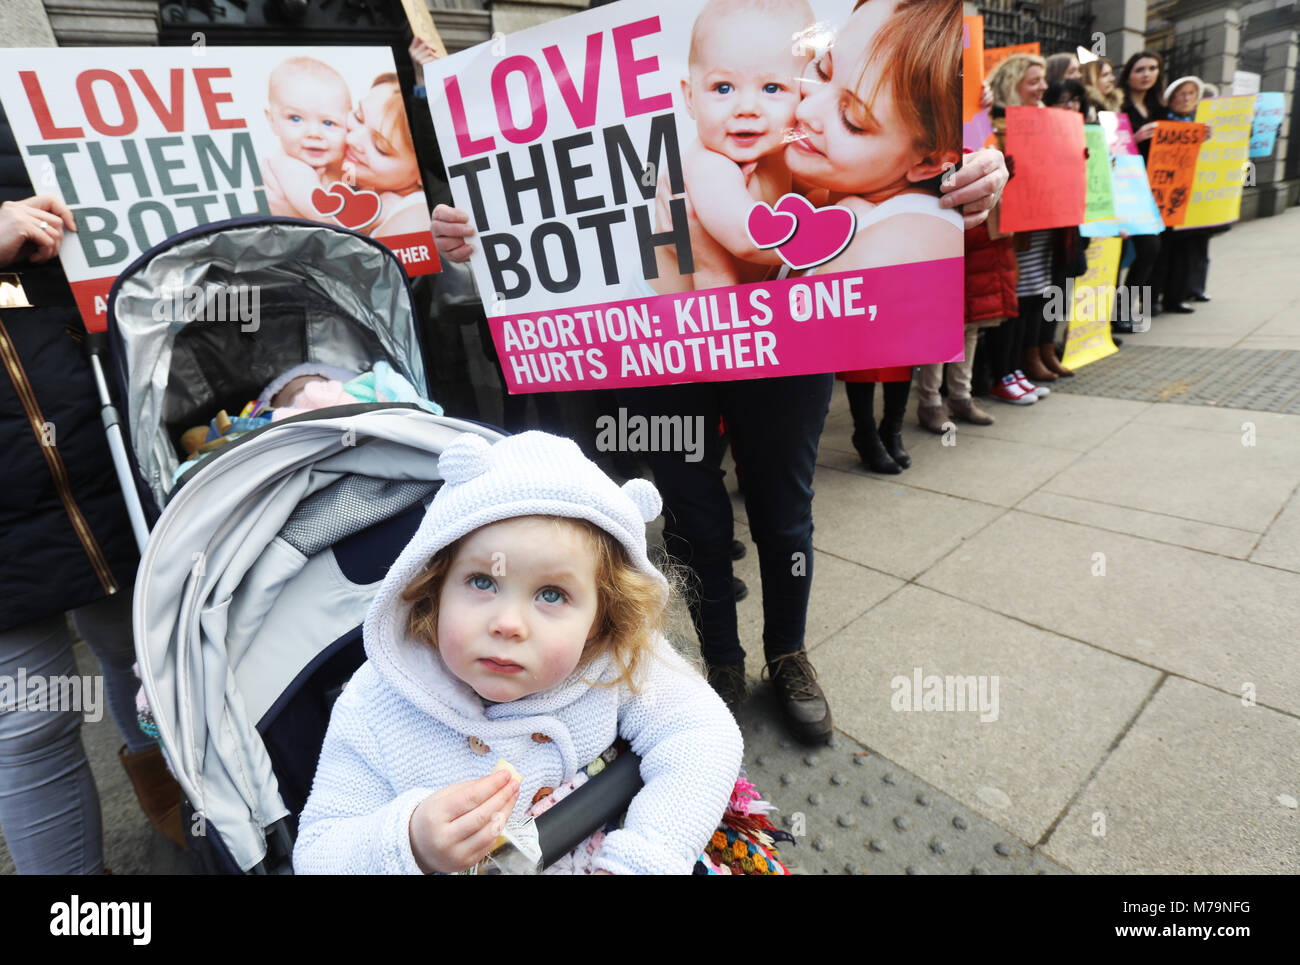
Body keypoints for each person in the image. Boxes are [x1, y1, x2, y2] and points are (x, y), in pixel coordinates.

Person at [429, 4, 1008, 742]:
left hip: (789, 347)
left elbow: (942, 144)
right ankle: (723, 662)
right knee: (694, 511)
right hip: (671, 352)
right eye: (727, 87)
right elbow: (559, 192)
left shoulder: (826, 143)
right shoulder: (661, 118)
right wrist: (482, 225)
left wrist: (986, 166)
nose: (763, 107)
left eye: (782, 85)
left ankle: (788, 653)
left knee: (783, 505)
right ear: (691, 88)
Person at [293, 431, 743, 874]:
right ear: (435, 587)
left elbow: (704, 734)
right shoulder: (378, 703)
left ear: (600, 619)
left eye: (551, 594)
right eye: (483, 582)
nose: (508, 623)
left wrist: (645, 857)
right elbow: (318, 850)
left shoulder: (615, 657)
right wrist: (409, 841)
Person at [1, 103, 183, 871]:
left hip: (97, 441)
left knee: (145, 662)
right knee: (30, 724)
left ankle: (187, 828)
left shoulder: (24, 97)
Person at [650, 0, 815, 293]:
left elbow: (808, 195)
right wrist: (832, 239)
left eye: (772, 88)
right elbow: (749, 240)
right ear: (691, 98)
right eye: (723, 87)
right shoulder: (709, 164)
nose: (747, 108)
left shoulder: (777, 152)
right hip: (662, 319)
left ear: (803, 94)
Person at [984, 52, 1054, 404]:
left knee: (1034, 295)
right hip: (1013, 226)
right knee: (1014, 299)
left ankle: (1017, 370)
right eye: (1034, 81)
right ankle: (1003, 374)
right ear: (1013, 84)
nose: (1043, 87)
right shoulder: (993, 122)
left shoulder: (1047, 120)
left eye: (1043, 80)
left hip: (1040, 222)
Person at [260, 57, 352, 221]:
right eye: (295, 118)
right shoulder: (290, 167)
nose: (314, 133)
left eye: (329, 122)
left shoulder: (342, 166)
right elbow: (330, 220)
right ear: (272, 121)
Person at [344, 74, 430, 236]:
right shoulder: (347, 179)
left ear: (423, 172)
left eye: (380, 147)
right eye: (358, 117)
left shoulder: (413, 220)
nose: (351, 139)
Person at [1118, 50, 1168, 326]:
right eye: (1139, 69)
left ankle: (1124, 309)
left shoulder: (1160, 108)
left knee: (1151, 248)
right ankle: (1112, 314)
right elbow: (1110, 149)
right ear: (1128, 74)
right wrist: (1134, 139)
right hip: (1125, 188)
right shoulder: (1120, 105)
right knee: (1126, 249)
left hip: (1152, 189)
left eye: (1152, 68)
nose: (1146, 74)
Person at [1080, 57, 1122, 123]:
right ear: (1090, 79)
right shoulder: (1084, 106)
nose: (1112, 79)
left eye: (1111, 74)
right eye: (1105, 75)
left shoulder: (1117, 103)